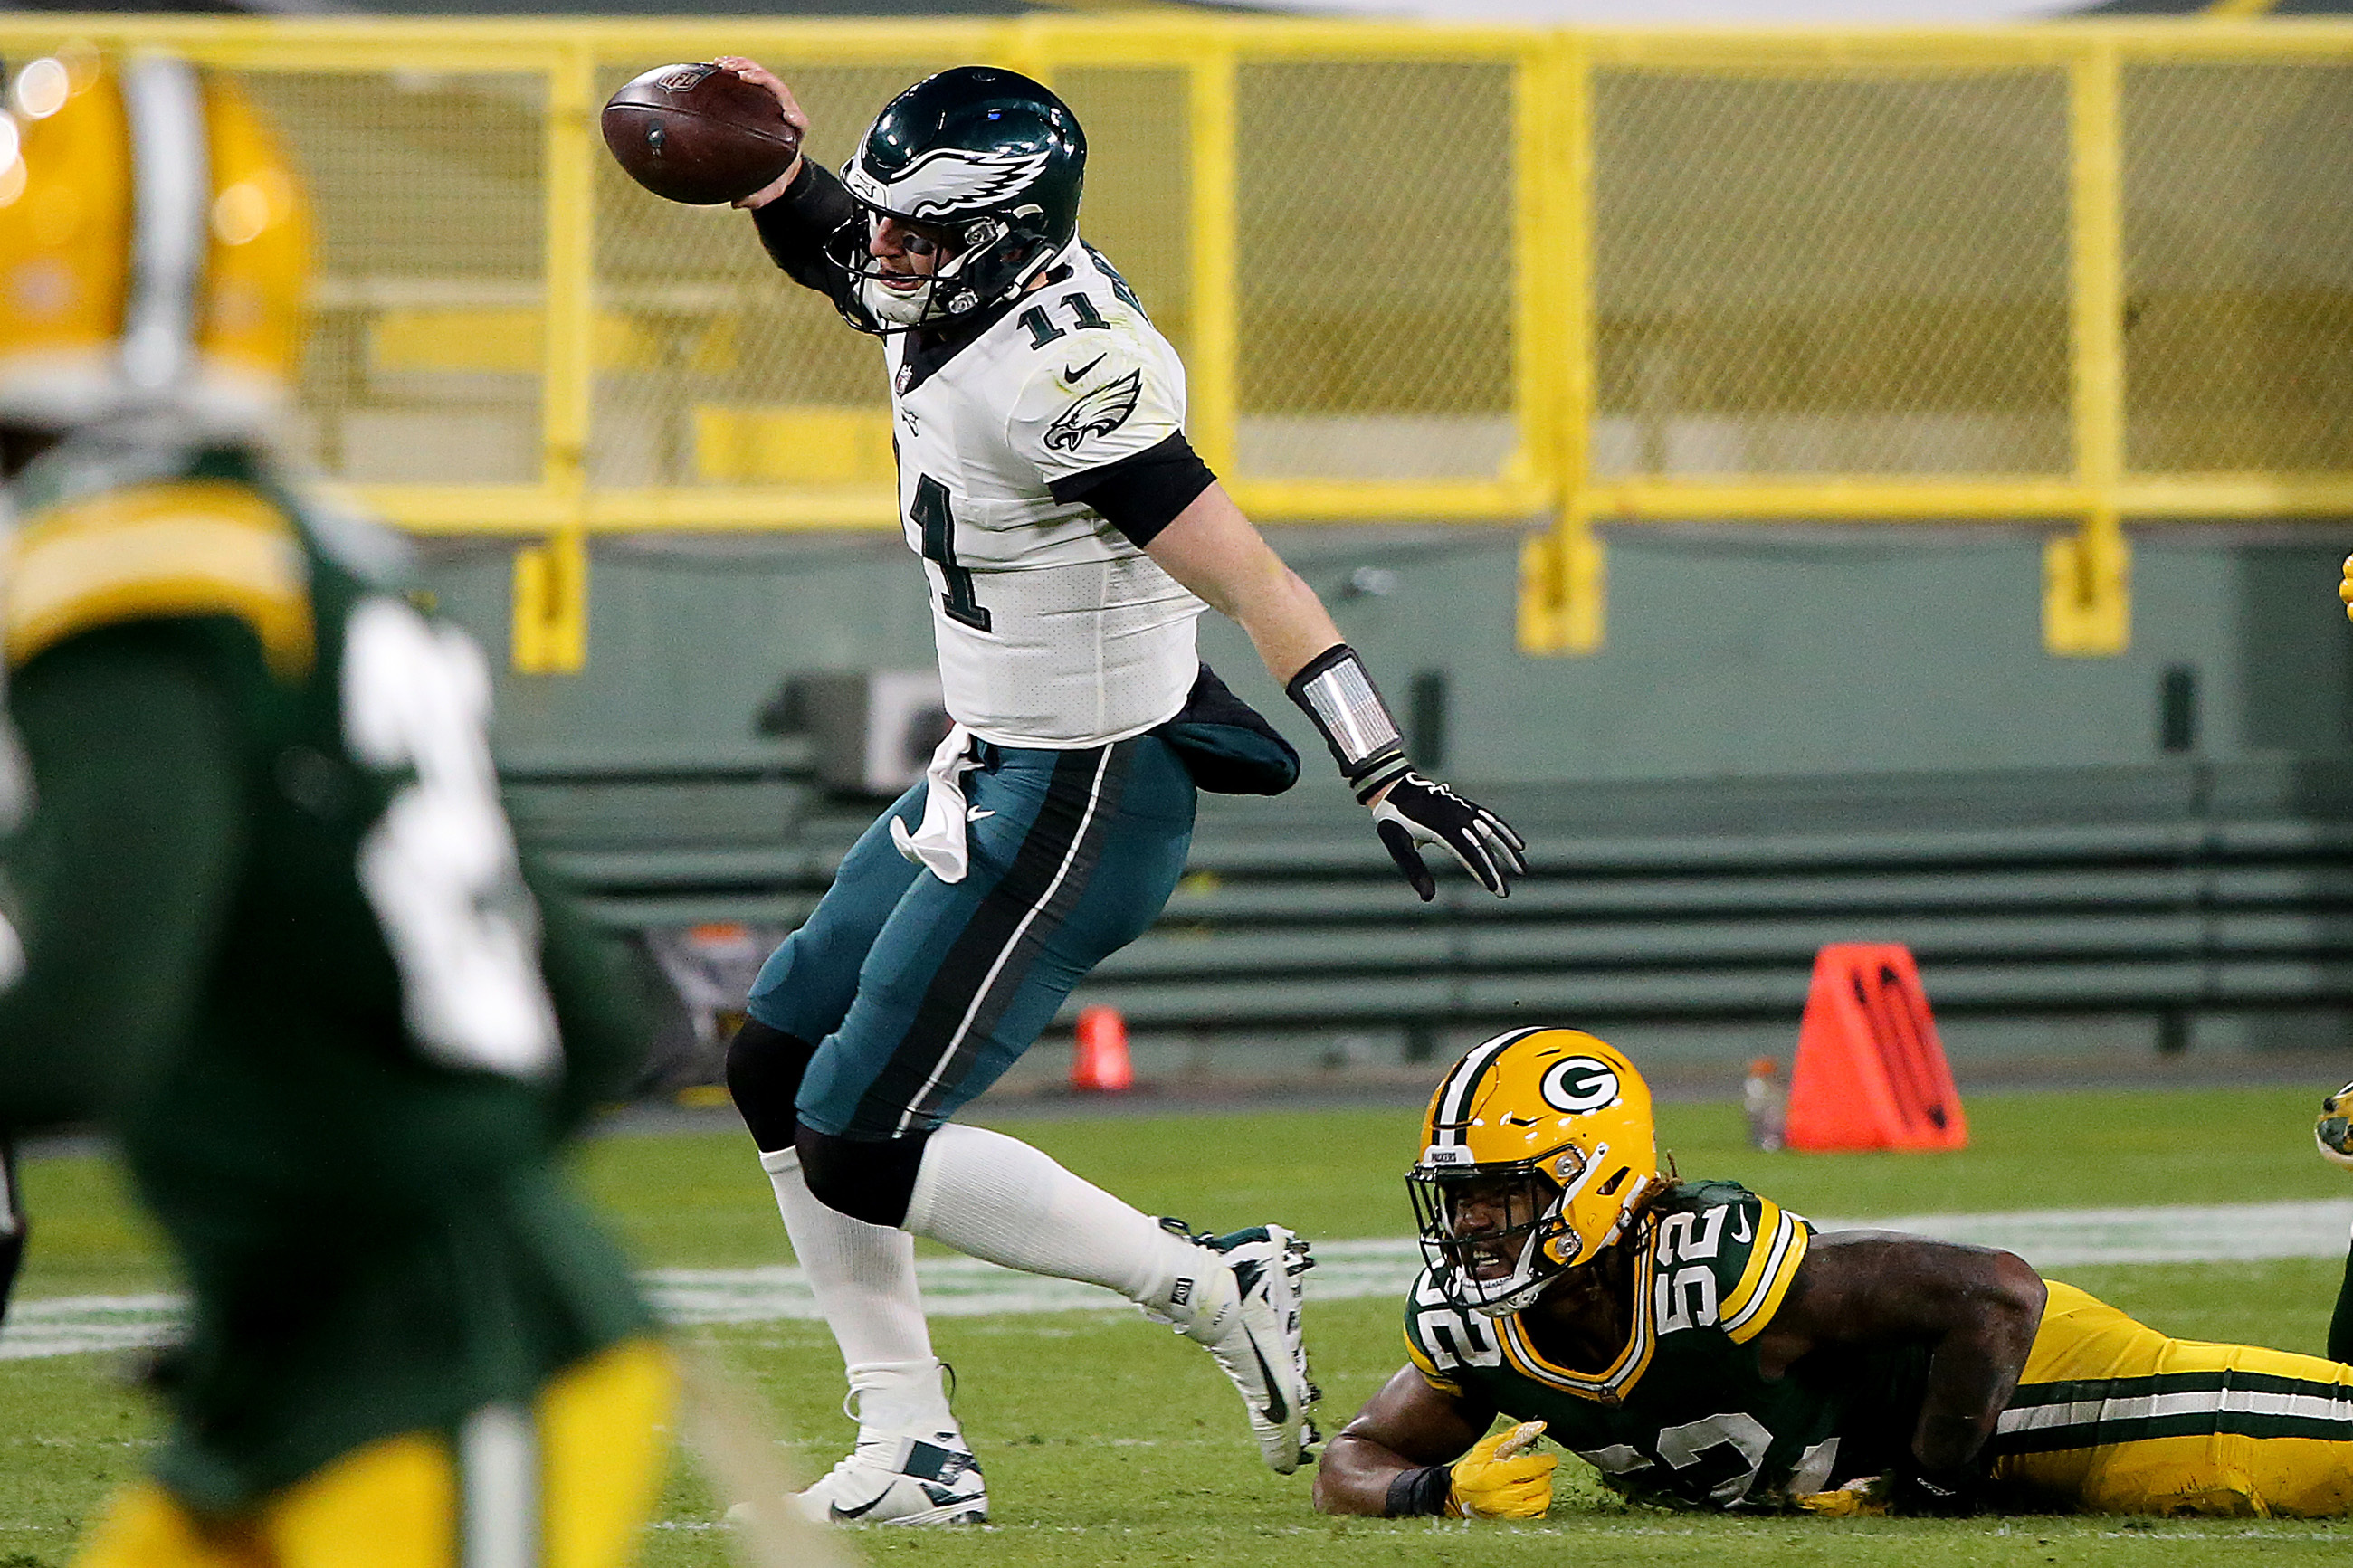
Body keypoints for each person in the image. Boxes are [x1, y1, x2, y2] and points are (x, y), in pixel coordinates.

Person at [702, 58, 1528, 1525]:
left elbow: (1256, 573)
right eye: (887, 224)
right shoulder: (949, 281)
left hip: (1088, 788)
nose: (881, 251)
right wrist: (771, 172)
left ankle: (1187, 1291)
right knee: (773, 1064)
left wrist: (1382, 762)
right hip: (995, 755)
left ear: (1005, 242)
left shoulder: (1064, 374)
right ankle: (911, 1425)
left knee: (852, 1126)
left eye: (915, 234)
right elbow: (837, 239)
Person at [0, 53, 673, 1566]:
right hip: (350, 1352)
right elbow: (593, 1012)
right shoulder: (324, 550)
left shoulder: (133, 576)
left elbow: (76, 1033)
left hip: (436, 1385)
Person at [1316, 1028, 2353, 1520]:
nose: (1472, 1226)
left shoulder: (1704, 1265)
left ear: (1595, 1181)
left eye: (1501, 1193)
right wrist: (1431, 1487)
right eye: (1458, 1198)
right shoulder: (1475, 1323)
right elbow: (1349, 1456)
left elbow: (1994, 1294)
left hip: (2028, 1389)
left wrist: (1930, 1482)